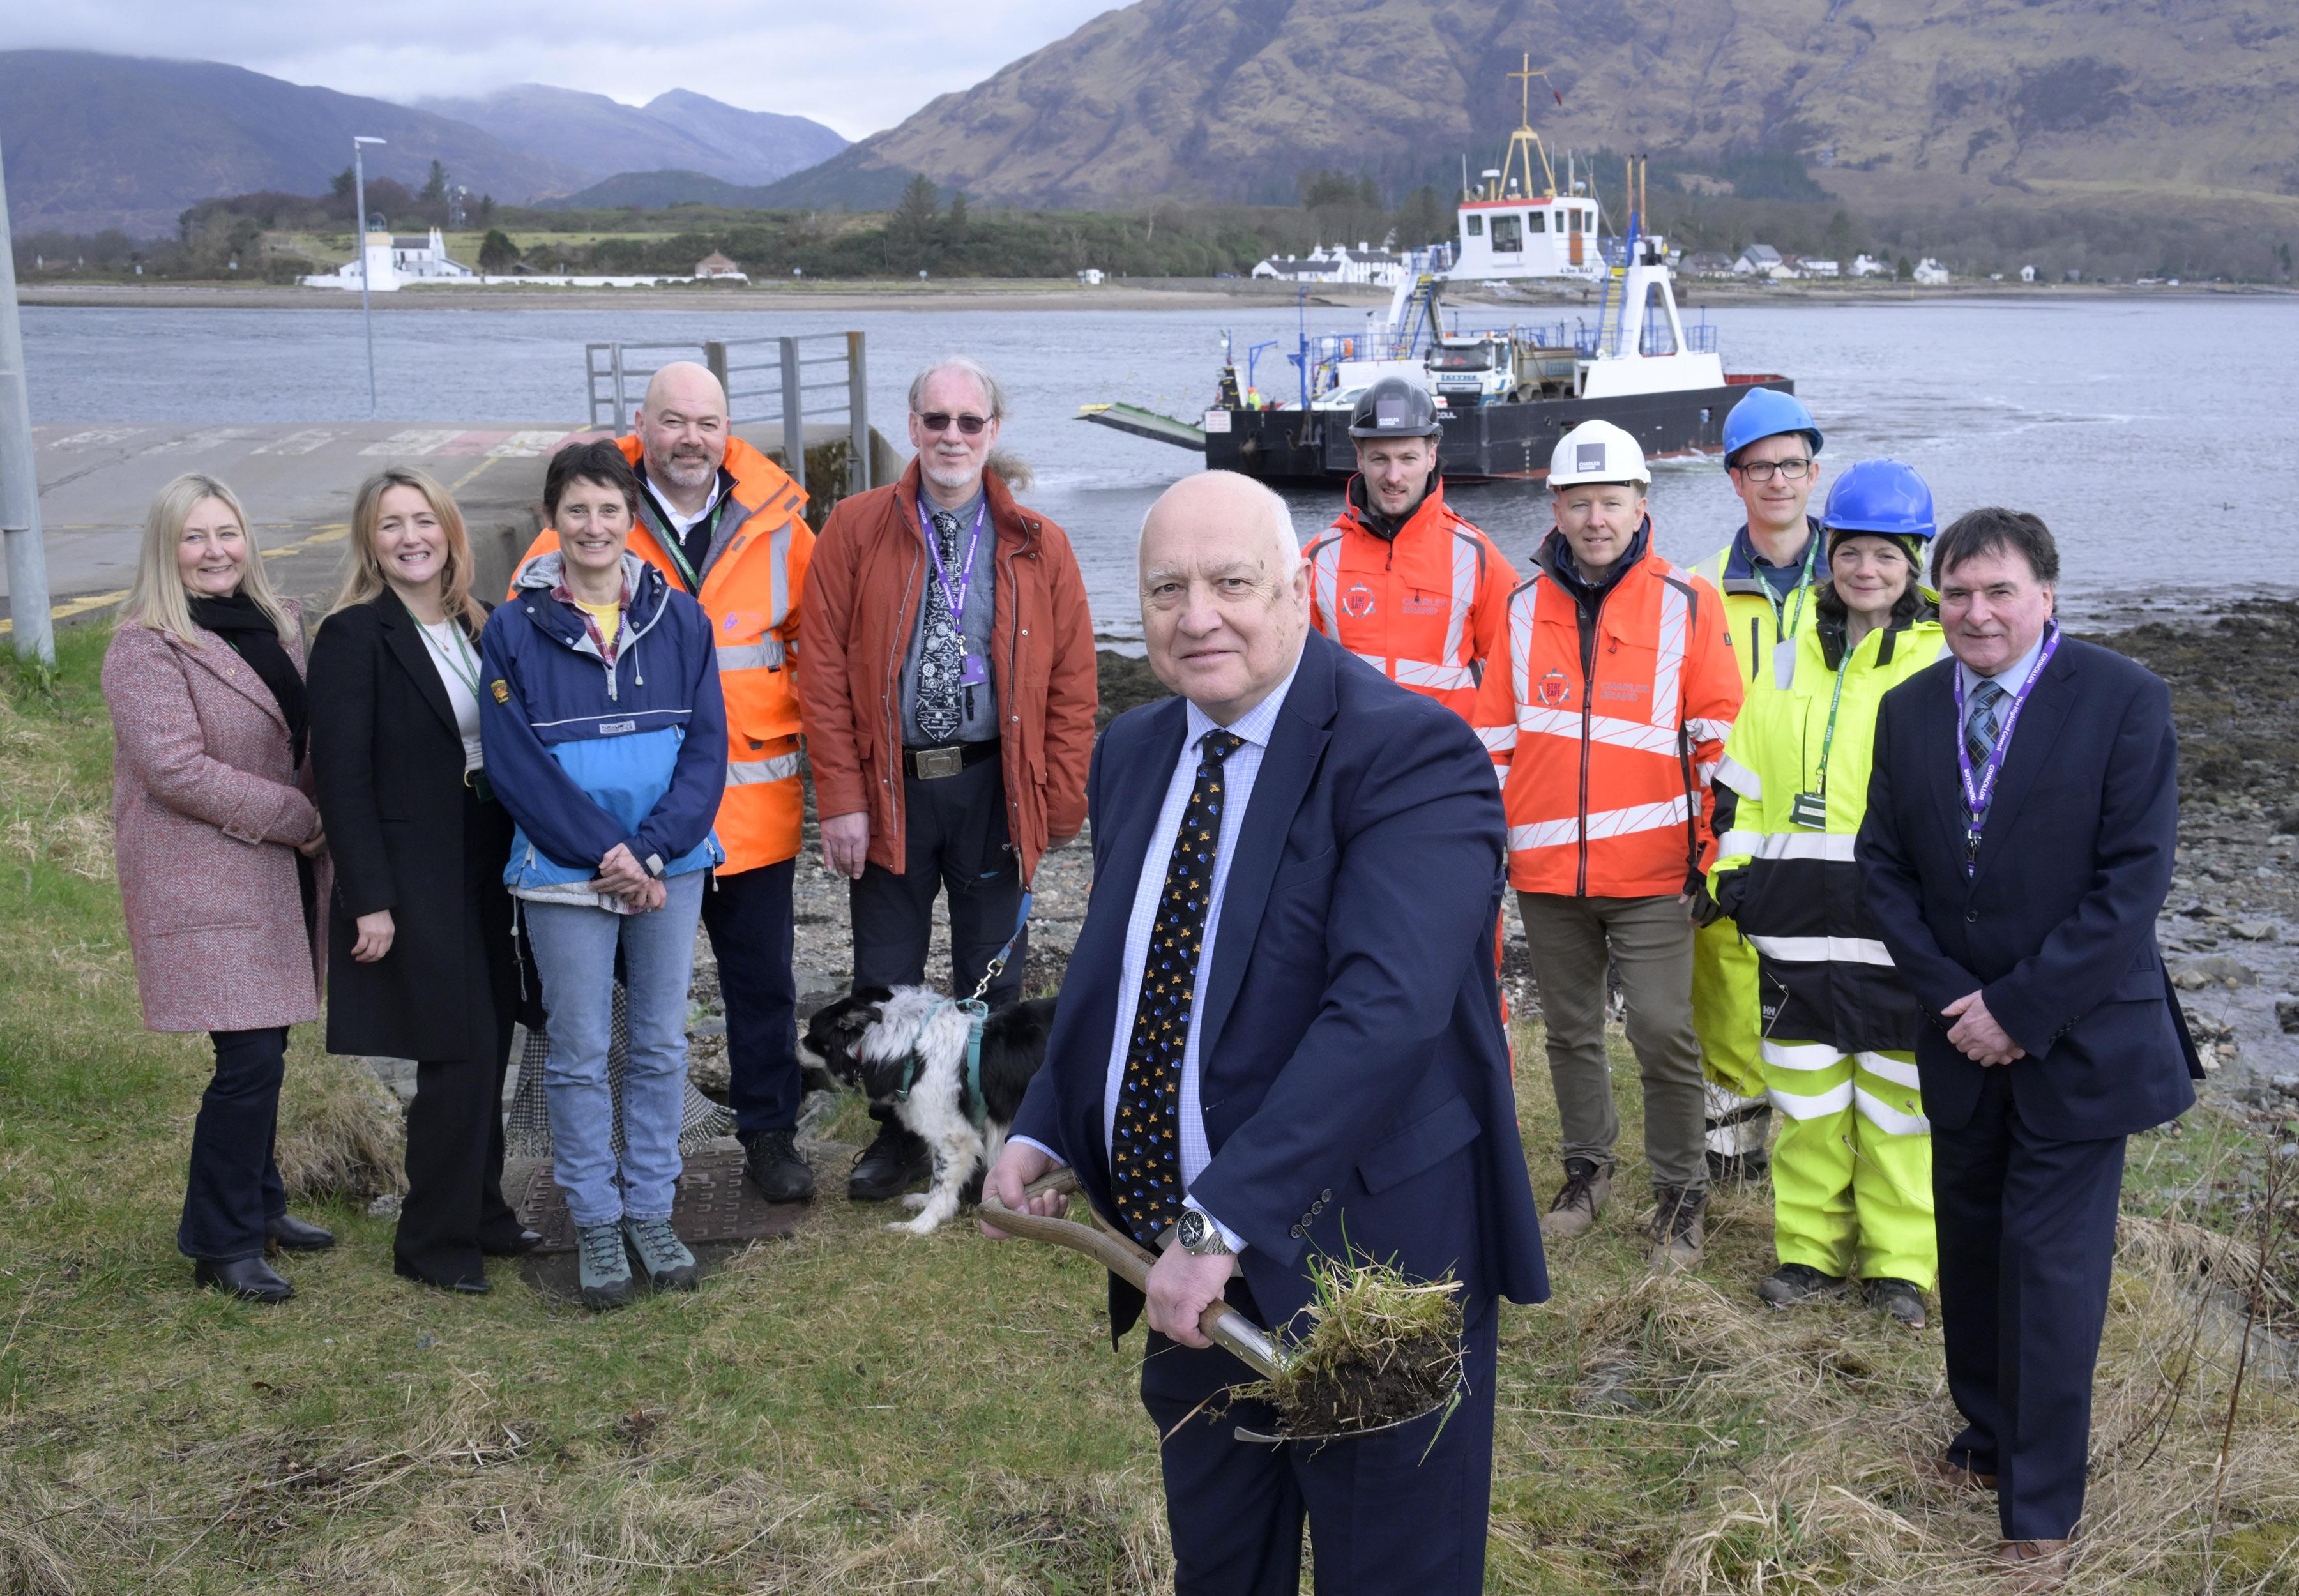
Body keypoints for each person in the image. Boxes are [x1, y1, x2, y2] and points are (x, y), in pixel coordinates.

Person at [986, 470, 1547, 1595]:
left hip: (1368, 1262)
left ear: (1299, 589)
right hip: (1185, 1263)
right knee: (1221, 1560)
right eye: (1167, 589)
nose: (1198, 616)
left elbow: (1382, 1013)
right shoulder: (1135, 749)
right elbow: (1123, 969)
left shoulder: (1412, 754)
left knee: (1391, 1569)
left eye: (1232, 583)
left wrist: (1224, 1216)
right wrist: (1045, 1122)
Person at [1859, 508, 2202, 1586]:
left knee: (2050, 1273)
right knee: (1971, 1251)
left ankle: (2042, 1509)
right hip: (1959, 1036)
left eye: (1998, 590)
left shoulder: (2124, 698)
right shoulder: (1908, 706)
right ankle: (1987, 1437)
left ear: (2046, 594)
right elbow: (1884, 868)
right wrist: (1958, 1001)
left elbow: (2133, 881)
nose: (1976, 613)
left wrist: (2020, 1007)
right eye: (1957, 593)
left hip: (2080, 1041)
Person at [508, 361, 816, 1205]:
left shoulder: (781, 521)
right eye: (673, 421)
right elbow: (526, 637)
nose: (691, 439)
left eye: (707, 423)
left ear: (728, 430)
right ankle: (617, 1151)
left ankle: (770, 1135)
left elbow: (818, 650)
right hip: (622, 825)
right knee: (614, 998)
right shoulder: (596, 508)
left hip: (749, 808)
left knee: (762, 984)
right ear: (641, 424)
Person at [800, 355, 1097, 1204]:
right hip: (889, 792)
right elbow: (821, 671)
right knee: (884, 978)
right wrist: (842, 800)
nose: (953, 437)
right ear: (913, 426)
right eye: (937, 420)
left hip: (994, 788)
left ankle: (1003, 1145)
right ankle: (899, 1138)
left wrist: (1059, 802)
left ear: (993, 432)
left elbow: (1074, 682)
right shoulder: (854, 528)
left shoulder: (1040, 543)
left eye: (970, 422)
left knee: (992, 982)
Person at [1469, 420, 1742, 1270]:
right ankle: (1585, 1174)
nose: (1596, 519)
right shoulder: (1520, 608)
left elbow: (1719, 741)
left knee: (1662, 1030)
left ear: (1640, 503)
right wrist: (1487, 848)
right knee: (1571, 1031)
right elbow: (1492, 742)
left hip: (1656, 871)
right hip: (1548, 871)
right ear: (1556, 505)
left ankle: (1680, 1195)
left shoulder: (1689, 603)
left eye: (1611, 502)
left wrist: (1716, 854)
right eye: (1580, 502)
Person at [481, 441, 728, 1311]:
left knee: (660, 1043)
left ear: (633, 517)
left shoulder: (682, 620)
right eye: (577, 509)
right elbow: (516, 767)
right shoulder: (513, 628)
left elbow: (708, 751)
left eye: (609, 509)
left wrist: (650, 852)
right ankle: (594, 1216)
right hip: (562, 870)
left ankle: (651, 1209)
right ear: (553, 517)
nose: (594, 526)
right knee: (580, 1052)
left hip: (669, 867)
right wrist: (609, 857)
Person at [1707, 461, 1948, 1329]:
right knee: (1808, 1106)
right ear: (1830, 556)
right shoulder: (1786, 661)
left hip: (1901, 935)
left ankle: (1900, 1267)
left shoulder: (1945, 665)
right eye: (1850, 552)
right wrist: (1735, 882)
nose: (1865, 569)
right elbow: (1741, 787)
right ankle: (1808, 1253)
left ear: (1914, 562)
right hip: (1796, 928)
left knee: (1898, 1109)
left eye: (1886, 554)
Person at [102, 473, 334, 1303]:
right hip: (205, 871)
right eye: (194, 537)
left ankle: (261, 1204)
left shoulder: (278, 625)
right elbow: (174, 769)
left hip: (276, 869)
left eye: (226, 533)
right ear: (165, 550)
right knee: (249, 1055)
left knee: (266, 1043)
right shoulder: (145, 645)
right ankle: (220, 1241)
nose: (214, 551)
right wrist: (298, 817)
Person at [309, 468, 538, 1295]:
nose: (411, 537)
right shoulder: (352, 636)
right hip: (416, 873)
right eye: (391, 524)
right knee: (456, 1051)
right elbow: (341, 779)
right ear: (370, 543)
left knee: (495, 1040)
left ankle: (485, 1211)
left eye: (423, 520)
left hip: (489, 860)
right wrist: (368, 898)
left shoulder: (479, 622)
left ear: (449, 530)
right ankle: (432, 1241)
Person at [1687, 386, 1829, 1185]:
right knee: (1726, 977)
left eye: (1792, 464)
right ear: (1735, 479)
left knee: (1834, 980)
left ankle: (1825, 1151)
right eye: (1760, 467)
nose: (1778, 480)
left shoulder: (1861, 576)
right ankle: (1734, 1155)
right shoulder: (1698, 588)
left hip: (1838, 818)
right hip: (1731, 818)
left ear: (1814, 473)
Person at [1300, 377, 1516, 723]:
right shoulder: (1317, 560)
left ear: (1432, 456)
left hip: (1446, 752)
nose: (1394, 476)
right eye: (1380, 459)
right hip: (1352, 753)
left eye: (1408, 458)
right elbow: (1290, 676)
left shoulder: (1477, 558)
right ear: (1360, 458)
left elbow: (1513, 677)